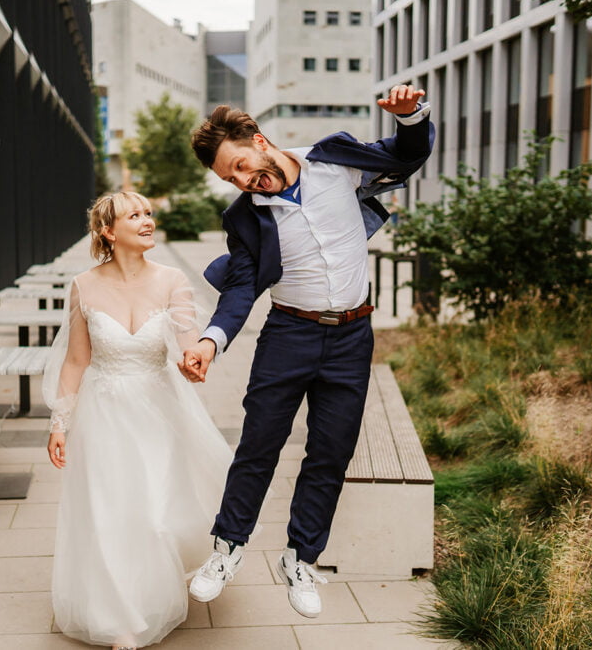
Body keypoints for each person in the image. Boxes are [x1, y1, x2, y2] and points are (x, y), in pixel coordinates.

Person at [178, 85, 434, 618]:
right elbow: (242, 288)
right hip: (288, 337)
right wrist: (211, 339)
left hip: (351, 338)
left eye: (244, 165)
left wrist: (411, 119)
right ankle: (228, 548)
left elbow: (407, 156)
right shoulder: (245, 217)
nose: (246, 180)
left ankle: (300, 558)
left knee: (330, 452)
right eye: (232, 178)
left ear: (260, 140)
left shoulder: (334, 162)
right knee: (259, 444)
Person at [44, 191, 233, 649]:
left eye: (149, 213)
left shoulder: (173, 281)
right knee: (110, 512)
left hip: (158, 409)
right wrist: (59, 422)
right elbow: (75, 361)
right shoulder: (84, 286)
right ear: (109, 231)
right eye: (135, 215)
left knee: (154, 512)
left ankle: (154, 592)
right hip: (104, 410)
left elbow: (189, 342)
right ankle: (122, 621)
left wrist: (195, 361)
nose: (148, 220)